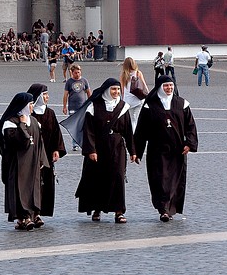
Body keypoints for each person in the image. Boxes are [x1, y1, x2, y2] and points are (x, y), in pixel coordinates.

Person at [134, 74, 198, 222]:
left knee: (175, 180)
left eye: (171, 85)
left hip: (177, 150)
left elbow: (190, 126)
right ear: (160, 88)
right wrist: (136, 151)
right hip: (157, 150)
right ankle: (163, 209)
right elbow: (141, 130)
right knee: (160, 179)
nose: (169, 88)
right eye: (166, 86)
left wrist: (189, 143)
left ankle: (170, 209)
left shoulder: (182, 104)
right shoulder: (150, 106)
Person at [72, 78, 137, 224]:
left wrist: (133, 151)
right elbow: (88, 131)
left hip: (117, 148)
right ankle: (97, 208)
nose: (116, 92)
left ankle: (119, 211)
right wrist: (91, 150)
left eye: (118, 89)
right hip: (99, 147)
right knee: (98, 178)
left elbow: (128, 131)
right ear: (107, 90)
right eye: (113, 89)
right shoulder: (94, 107)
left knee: (118, 177)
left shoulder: (123, 107)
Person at [0, 91, 49, 230]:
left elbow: (40, 143)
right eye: (30, 104)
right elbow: (21, 143)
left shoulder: (34, 121)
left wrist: (42, 159)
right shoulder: (10, 123)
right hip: (18, 164)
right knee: (20, 190)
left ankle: (34, 214)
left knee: (34, 189)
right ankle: (23, 217)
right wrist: (22, 125)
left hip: (33, 162)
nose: (32, 107)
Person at [28, 83, 66, 218]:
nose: (47, 97)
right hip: (32, 155)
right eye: (44, 95)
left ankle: (39, 213)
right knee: (33, 183)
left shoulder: (50, 113)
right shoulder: (29, 113)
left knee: (46, 183)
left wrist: (57, 149)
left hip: (48, 153)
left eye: (47, 94)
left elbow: (56, 132)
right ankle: (31, 212)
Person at [63, 64, 91, 151]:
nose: (77, 74)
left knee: (83, 125)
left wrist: (91, 103)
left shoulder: (84, 81)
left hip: (83, 107)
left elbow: (89, 93)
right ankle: (75, 144)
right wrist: (64, 106)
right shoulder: (69, 82)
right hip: (72, 107)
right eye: (75, 73)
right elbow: (65, 95)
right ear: (72, 72)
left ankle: (84, 142)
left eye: (79, 72)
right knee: (75, 126)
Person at [120, 56, 149, 130]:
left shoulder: (123, 75)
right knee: (136, 118)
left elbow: (122, 90)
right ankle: (135, 133)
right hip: (138, 99)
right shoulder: (138, 73)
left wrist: (122, 100)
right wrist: (148, 95)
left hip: (128, 100)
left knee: (130, 119)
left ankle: (131, 133)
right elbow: (144, 85)